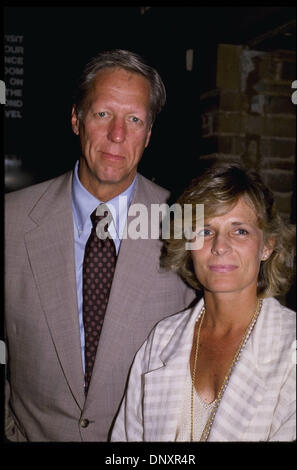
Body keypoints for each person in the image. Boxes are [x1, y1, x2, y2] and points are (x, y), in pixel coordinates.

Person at [4, 49, 195, 441]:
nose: (117, 134)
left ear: (150, 132)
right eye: (103, 113)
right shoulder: (11, 219)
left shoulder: (185, 223)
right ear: (76, 119)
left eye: (135, 119)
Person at [111, 162, 296, 442]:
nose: (220, 246)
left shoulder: (290, 345)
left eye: (240, 231)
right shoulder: (161, 339)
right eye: (205, 231)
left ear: (267, 245)